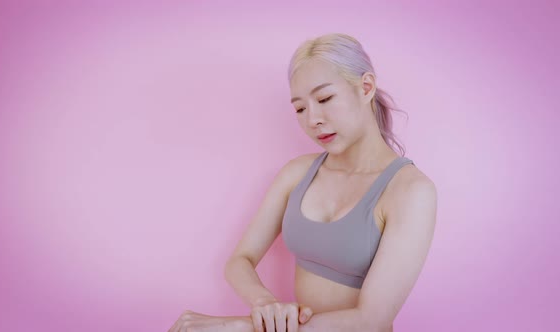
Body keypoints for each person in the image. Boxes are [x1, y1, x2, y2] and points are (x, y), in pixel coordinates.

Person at [168, 32, 437, 332]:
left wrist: (240, 327)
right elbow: (240, 260)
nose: (312, 119)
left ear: (366, 87)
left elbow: (371, 320)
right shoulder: (297, 173)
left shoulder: (411, 191)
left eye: (324, 99)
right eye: (300, 108)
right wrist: (263, 304)